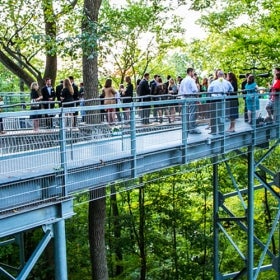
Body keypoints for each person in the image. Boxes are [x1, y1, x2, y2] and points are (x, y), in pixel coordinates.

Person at [178, 67, 201, 134]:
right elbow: (195, 90)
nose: (193, 74)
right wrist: (197, 98)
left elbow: (180, 91)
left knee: (186, 113)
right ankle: (192, 128)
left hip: (184, 98)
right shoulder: (191, 80)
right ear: (190, 72)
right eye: (193, 72)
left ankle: (186, 128)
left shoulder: (183, 80)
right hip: (191, 97)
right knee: (192, 113)